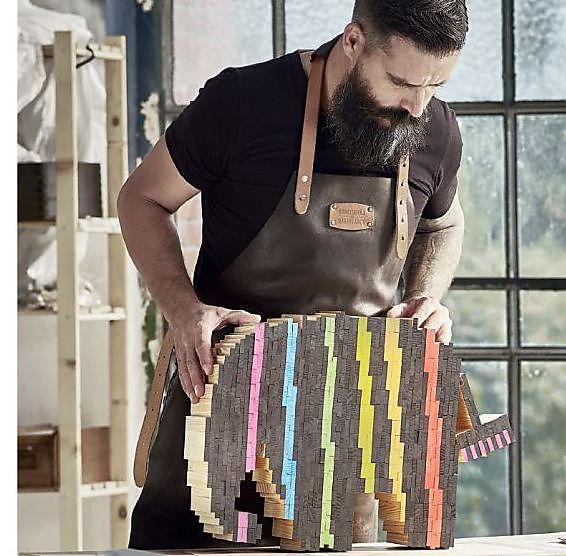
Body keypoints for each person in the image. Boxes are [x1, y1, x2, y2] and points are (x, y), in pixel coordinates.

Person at [119, 0, 467, 548]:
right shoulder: (242, 103)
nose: (416, 106)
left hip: (342, 439)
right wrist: (184, 309)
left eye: (435, 85)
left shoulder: (434, 127)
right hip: (220, 423)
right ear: (353, 40)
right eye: (401, 82)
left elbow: (444, 224)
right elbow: (141, 199)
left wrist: (425, 295)